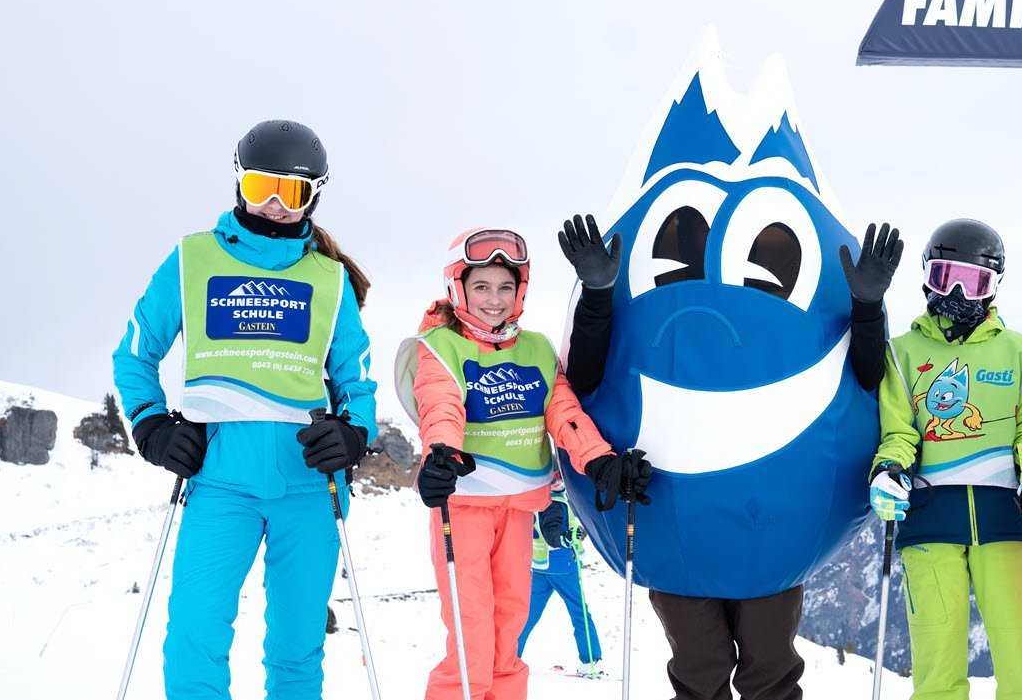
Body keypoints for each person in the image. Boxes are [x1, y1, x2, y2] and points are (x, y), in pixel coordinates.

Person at [555, 213, 899, 700]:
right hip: (675, 531)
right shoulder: (642, 303)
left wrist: (867, 306)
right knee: (701, 669)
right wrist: (597, 296)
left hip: (771, 536)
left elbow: (866, 376)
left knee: (771, 669)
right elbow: (583, 378)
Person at [113, 119, 378, 700]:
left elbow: (355, 380)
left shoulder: (328, 279)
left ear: (315, 194)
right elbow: (136, 353)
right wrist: (151, 423)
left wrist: (353, 433)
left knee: (296, 647)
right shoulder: (193, 259)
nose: (278, 207)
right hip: (219, 484)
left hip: (309, 485)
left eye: (295, 192)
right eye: (264, 188)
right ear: (239, 183)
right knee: (194, 637)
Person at [394, 227, 653, 700]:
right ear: (458, 289)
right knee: (472, 634)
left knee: (509, 631)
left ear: (521, 291)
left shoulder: (534, 347)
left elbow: (563, 411)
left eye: (505, 287)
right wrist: (442, 453)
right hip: (464, 505)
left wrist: (597, 460)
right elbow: (440, 403)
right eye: (482, 287)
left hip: (517, 509)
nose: (495, 299)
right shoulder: (441, 345)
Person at [868, 218, 1022, 700]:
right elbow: (898, 431)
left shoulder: (1020, 352)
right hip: (930, 519)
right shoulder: (903, 352)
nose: (955, 292)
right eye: (944, 275)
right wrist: (888, 470)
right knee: (937, 664)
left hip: (1005, 520)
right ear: (926, 276)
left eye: (973, 281)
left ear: (993, 288)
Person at [518, 475, 604, 677]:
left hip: (541, 566)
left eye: (560, 478)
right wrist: (565, 539)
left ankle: (509, 656)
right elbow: (551, 532)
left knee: (528, 614)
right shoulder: (554, 504)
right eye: (554, 479)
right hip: (563, 566)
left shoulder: (540, 499)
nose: (559, 482)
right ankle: (590, 661)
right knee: (580, 612)